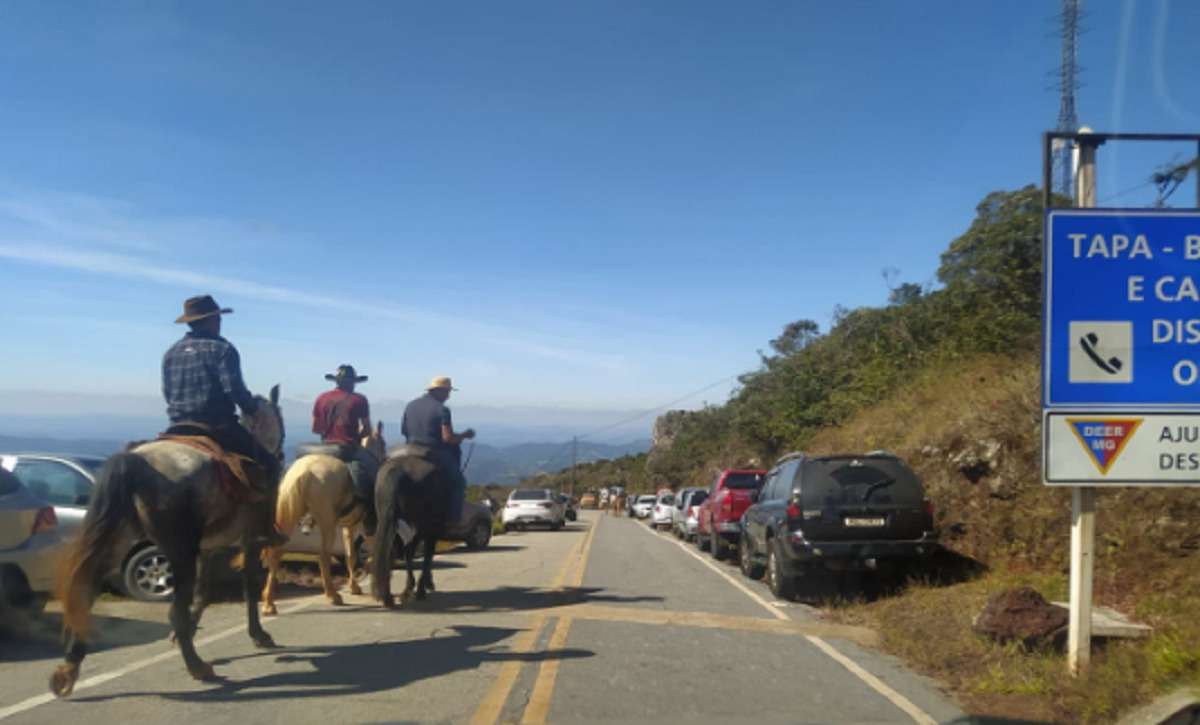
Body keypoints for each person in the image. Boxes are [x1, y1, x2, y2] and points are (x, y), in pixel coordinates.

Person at [161, 294, 286, 547]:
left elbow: (167, 391)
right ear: (213, 320)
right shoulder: (222, 349)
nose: (220, 322)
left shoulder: (171, 352)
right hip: (217, 426)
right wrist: (252, 408)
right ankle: (265, 530)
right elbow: (234, 390)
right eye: (218, 318)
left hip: (176, 426)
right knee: (271, 466)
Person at [312, 364, 379, 534]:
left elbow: (315, 428)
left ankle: (308, 516)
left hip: (324, 448)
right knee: (377, 473)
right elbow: (367, 429)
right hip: (347, 448)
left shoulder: (321, 398)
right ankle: (371, 518)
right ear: (353, 382)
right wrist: (356, 436)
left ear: (337, 381)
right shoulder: (359, 399)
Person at [401, 376, 475, 526]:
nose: (448, 396)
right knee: (459, 482)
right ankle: (453, 519)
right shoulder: (442, 409)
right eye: (447, 391)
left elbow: (403, 430)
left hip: (409, 450)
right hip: (431, 452)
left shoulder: (410, 405)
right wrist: (464, 435)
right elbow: (448, 438)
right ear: (439, 391)